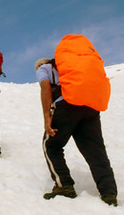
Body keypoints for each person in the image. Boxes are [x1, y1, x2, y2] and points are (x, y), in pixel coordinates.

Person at [36, 57, 118, 206]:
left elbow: (45, 87)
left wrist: (47, 117)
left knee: (52, 146)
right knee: (95, 151)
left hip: (65, 106)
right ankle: (109, 193)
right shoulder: (70, 68)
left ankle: (64, 186)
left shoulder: (43, 68)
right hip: (89, 107)